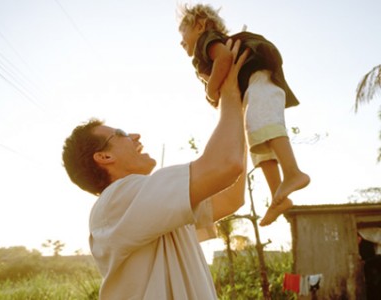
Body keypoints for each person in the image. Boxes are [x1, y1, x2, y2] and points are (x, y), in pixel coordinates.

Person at [62, 41, 248, 299]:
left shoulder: (154, 209)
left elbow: (231, 197)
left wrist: (238, 109)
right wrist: (229, 94)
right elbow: (225, 165)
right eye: (122, 134)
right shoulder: (117, 200)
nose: (135, 135)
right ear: (104, 156)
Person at [178, 3, 310, 226]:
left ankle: (293, 171)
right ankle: (279, 195)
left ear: (200, 26)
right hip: (253, 85)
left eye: (183, 35)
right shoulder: (203, 55)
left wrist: (211, 89)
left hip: (260, 76)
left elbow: (225, 59)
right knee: (256, 136)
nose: (181, 42)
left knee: (264, 123)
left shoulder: (207, 40)